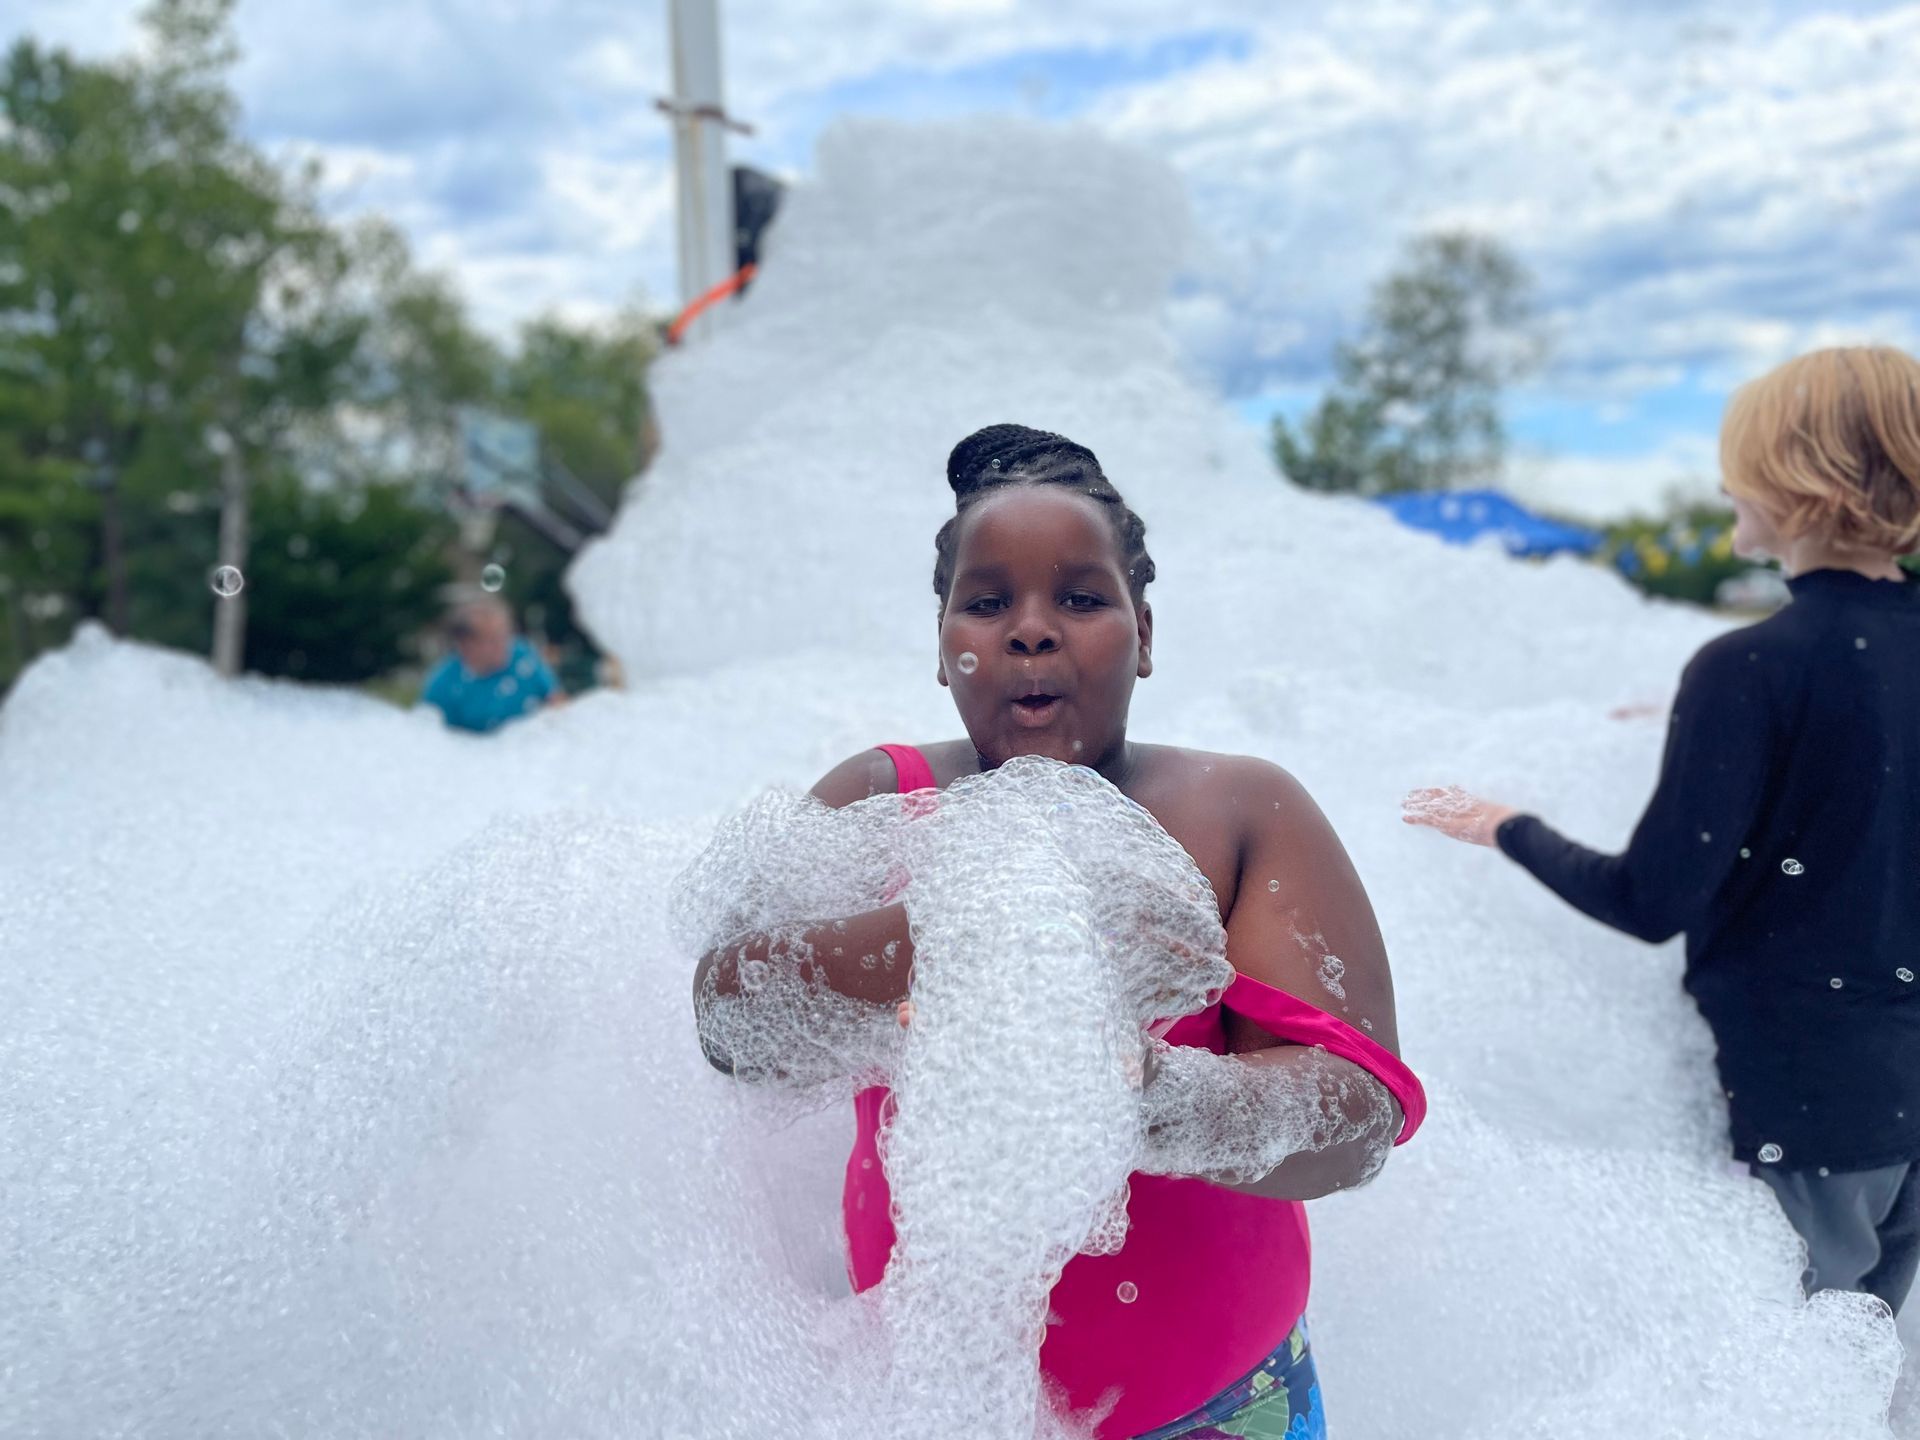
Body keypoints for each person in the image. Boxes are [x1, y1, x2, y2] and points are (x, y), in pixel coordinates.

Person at [693, 424, 1426, 1438]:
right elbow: (731, 1022)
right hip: (942, 1406)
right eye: (987, 603)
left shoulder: (1239, 811)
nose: (1029, 631)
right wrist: (963, 935)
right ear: (942, 640)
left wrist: (1149, 1100)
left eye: (1081, 598)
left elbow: (1355, 1113)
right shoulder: (878, 801)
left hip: (1222, 1406)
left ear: (1147, 631)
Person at [1405, 345, 1920, 1314]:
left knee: (1780, 1384)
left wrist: (1505, 826)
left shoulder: (1746, 670)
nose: (1727, 484)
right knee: (1860, 1378)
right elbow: (1863, 752)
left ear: (1801, 481)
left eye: (1745, 463)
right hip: (1902, 1103)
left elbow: (1649, 900)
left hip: (1797, 1115)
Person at [419, 596, 561, 734]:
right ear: (466, 646)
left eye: (506, 635)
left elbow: (557, 702)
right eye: (493, 639)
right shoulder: (442, 687)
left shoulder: (523, 655)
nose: (505, 645)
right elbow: (433, 744)